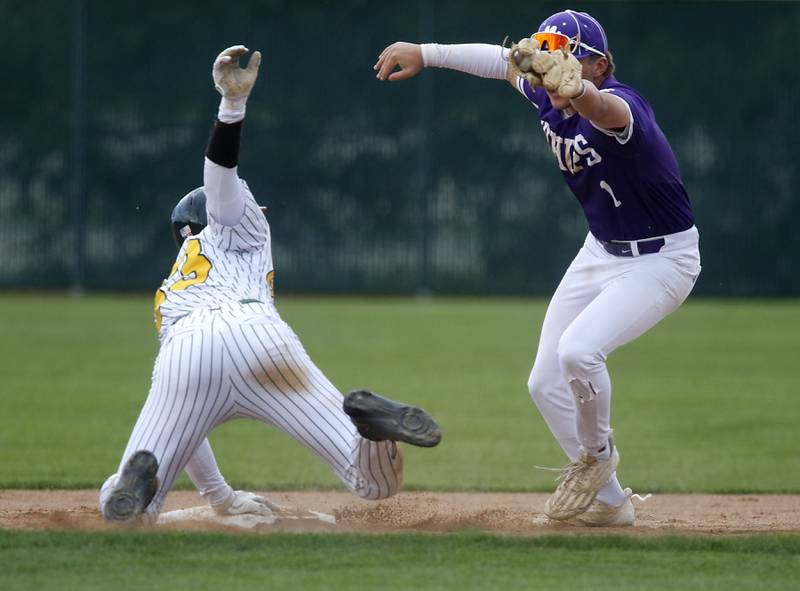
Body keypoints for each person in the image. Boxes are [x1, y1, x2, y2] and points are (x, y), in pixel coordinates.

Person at [374, 9, 700, 526]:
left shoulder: (620, 107)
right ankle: (612, 504)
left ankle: (595, 457)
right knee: (544, 381)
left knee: (579, 352)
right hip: (601, 250)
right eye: (543, 59)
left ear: (593, 65)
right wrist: (425, 52)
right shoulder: (546, 93)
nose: (545, 71)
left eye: (560, 59)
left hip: (661, 259)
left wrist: (582, 93)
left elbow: (606, 111)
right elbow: (498, 62)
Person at [100, 45, 441, 523]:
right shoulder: (233, 223)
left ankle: (135, 489)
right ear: (205, 220)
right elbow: (220, 175)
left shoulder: (170, 288)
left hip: (186, 351)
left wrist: (220, 499)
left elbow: (186, 431)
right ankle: (373, 431)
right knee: (372, 483)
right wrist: (231, 106)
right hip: (258, 336)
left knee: (126, 509)